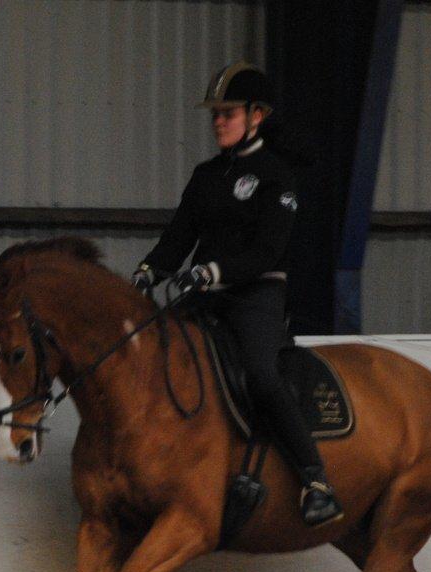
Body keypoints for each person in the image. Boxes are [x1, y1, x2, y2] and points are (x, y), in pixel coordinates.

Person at [132, 62, 342, 527]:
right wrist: (150, 269)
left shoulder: (277, 176)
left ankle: (315, 480)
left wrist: (212, 271)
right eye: (215, 115)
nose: (218, 121)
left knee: (261, 374)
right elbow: (178, 236)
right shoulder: (206, 174)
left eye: (228, 113)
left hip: (256, 293)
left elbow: (268, 249)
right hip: (206, 294)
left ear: (257, 115)